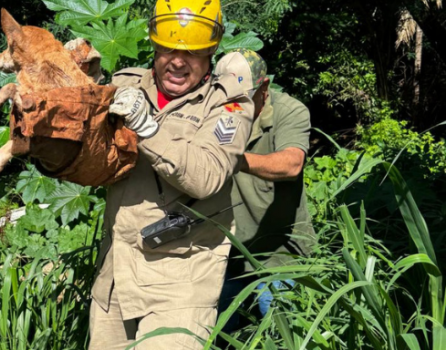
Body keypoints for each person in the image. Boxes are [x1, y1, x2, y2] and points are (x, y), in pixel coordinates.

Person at [88, 1, 255, 349]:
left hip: (180, 285)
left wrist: (147, 127)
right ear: (154, 44)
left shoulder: (229, 106)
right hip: (115, 279)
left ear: (211, 49)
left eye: (192, 52)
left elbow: (207, 176)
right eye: (167, 48)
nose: (177, 61)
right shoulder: (126, 85)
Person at [214, 50, 316, 330]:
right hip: (226, 254)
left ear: (265, 87)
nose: (233, 104)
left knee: (281, 333)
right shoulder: (216, 112)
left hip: (280, 254)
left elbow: (292, 163)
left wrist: (234, 159)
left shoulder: (289, 111)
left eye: (242, 96)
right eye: (225, 95)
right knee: (220, 335)